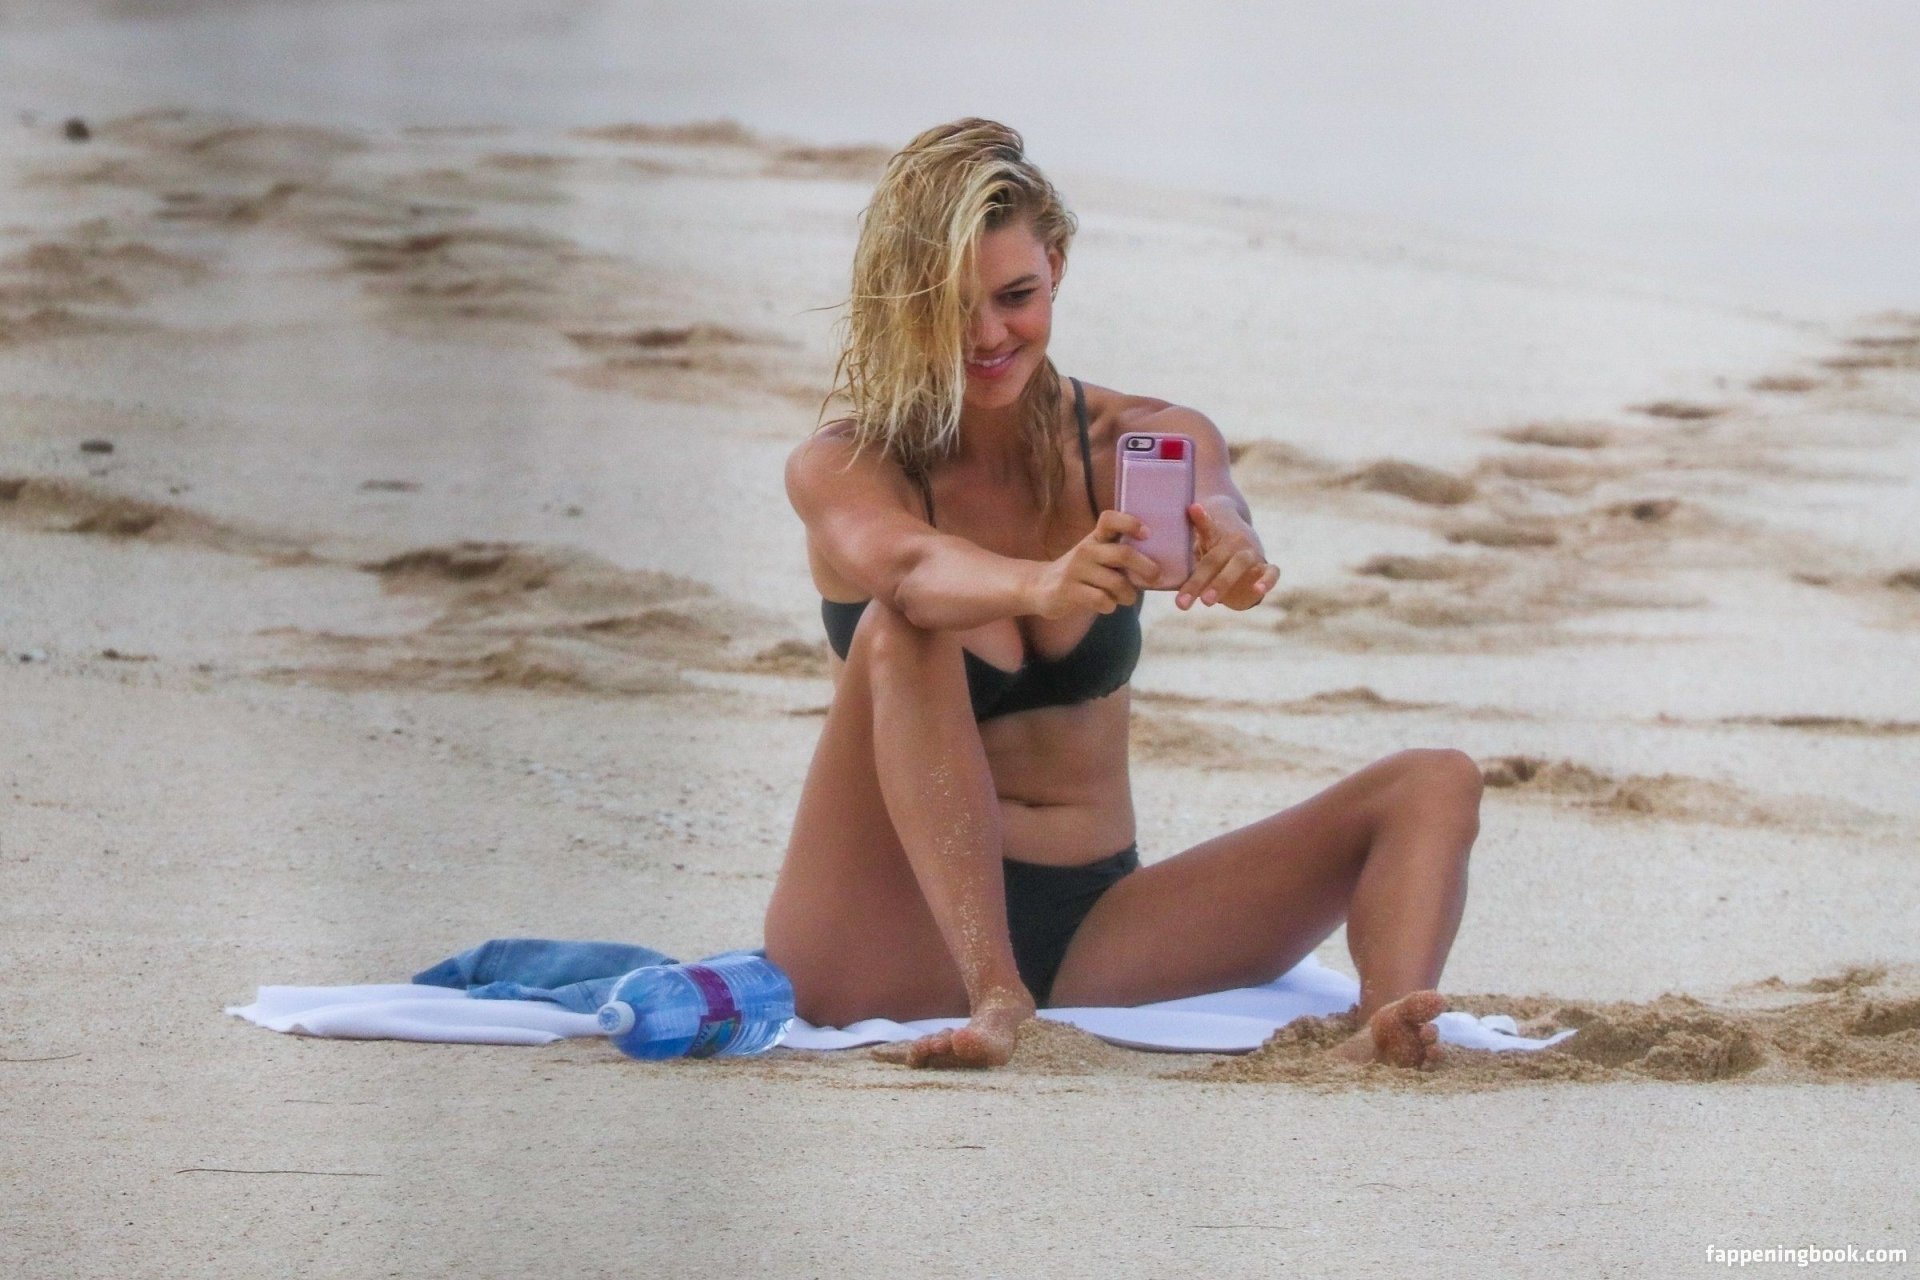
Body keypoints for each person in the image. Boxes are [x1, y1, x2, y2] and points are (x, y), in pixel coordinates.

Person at [762, 119, 1481, 1070]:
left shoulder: (1137, 439)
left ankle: (1387, 1028)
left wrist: (1234, 546)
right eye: (949, 308)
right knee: (910, 625)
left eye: (1015, 297)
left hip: (1093, 920)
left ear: (1055, 267)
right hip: (884, 934)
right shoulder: (845, 464)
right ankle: (994, 994)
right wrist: (1043, 581)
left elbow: (1218, 497)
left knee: (1435, 780)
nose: (987, 335)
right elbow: (910, 570)